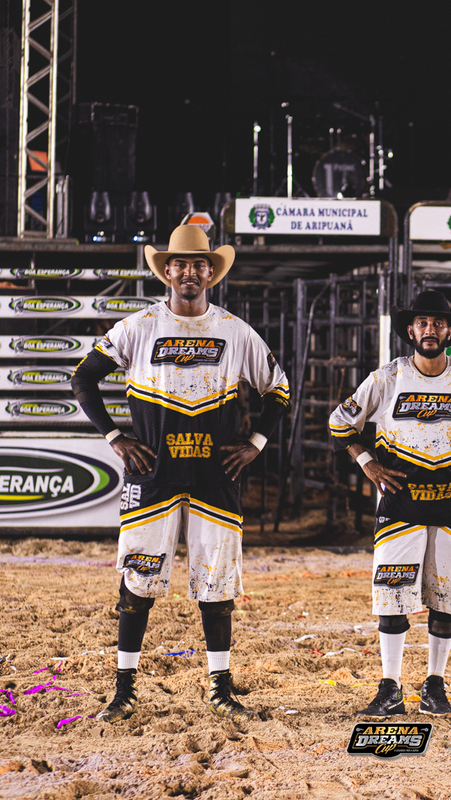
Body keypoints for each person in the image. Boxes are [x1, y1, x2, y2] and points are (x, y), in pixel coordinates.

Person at [71, 223, 290, 722]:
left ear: (211, 274)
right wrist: (115, 437)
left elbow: (278, 390)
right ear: (166, 271)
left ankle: (220, 689)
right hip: (153, 476)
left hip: (216, 477)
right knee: (137, 583)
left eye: (199, 265)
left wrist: (255, 444)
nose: (190, 272)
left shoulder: (235, 330)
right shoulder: (138, 326)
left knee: (218, 585)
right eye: (181, 265)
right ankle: (124, 690)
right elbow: (83, 378)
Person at [328, 290, 451, 718]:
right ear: (410, 330)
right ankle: (390, 687)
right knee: (392, 597)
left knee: (447, 599)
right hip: (401, 507)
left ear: (450, 332)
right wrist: (366, 462)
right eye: (422, 323)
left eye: (438, 323)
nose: (430, 330)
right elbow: (340, 421)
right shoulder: (388, 378)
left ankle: (434, 686)